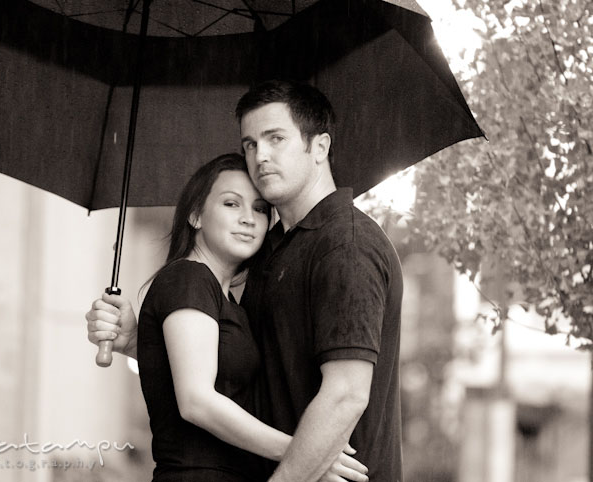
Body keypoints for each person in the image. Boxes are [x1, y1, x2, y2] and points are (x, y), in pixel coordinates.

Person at [89, 80, 402, 481]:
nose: (261, 156)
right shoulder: (272, 252)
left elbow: (346, 394)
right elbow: (235, 376)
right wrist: (142, 342)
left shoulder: (345, 244)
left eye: (276, 139)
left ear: (320, 147)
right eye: (250, 144)